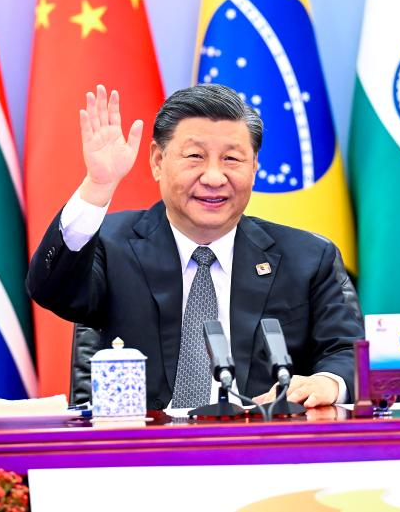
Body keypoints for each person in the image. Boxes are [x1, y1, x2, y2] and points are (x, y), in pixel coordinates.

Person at [27, 83, 362, 410]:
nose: (214, 177)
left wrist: (328, 382)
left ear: (255, 167)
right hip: (143, 442)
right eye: (195, 156)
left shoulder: (307, 258)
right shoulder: (110, 244)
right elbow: (52, 290)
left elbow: (347, 352)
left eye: (232, 159)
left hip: (263, 439)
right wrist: (98, 186)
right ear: (158, 161)